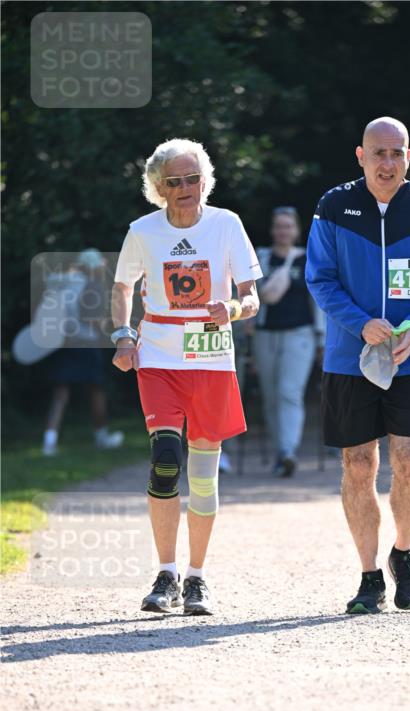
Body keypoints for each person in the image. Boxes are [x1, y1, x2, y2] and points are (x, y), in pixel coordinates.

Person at [306, 116, 410, 614]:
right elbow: (320, 279)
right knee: (358, 465)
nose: (388, 162)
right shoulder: (333, 207)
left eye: (397, 153)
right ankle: (369, 576)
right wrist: (360, 323)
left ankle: (404, 554)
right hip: (349, 359)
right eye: (378, 153)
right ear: (361, 156)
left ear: (409, 157)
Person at [111, 138, 261, 615]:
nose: (184, 189)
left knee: (202, 475)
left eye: (192, 179)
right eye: (173, 182)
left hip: (211, 356)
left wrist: (232, 309)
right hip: (158, 354)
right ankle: (165, 573)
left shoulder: (227, 225)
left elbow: (252, 296)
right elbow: (122, 285)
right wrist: (122, 335)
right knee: (166, 458)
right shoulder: (142, 231)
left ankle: (197, 577)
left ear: (205, 181)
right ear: (158, 187)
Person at [253, 207, 324, 477]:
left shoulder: (309, 260)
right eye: (279, 226)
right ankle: (280, 451)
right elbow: (254, 295)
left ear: (296, 230)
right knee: (271, 397)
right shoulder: (261, 259)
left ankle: (287, 451)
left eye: (288, 226)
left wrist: (322, 339)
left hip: (301, 335)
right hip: (264, 334)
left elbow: (319, 302)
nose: (283, 231)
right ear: (273, 230)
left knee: (288, 392)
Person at [42, 249, 124, 456]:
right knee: (96, 390)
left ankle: (48, 442)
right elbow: (92, 320)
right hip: (87, 343)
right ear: (91, 267)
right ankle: (102, 437)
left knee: (60, 394)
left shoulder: (62, 284)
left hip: (64, 342)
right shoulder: (92, 286)